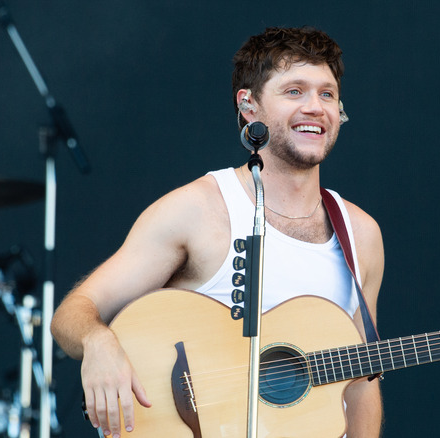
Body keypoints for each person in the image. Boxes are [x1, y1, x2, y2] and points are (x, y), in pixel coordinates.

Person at [50, 26, 384, 437]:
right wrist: (99, 342)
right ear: (249, 106)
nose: (315, 107)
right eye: (294, 91)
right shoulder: (198, 209)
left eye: (327, 93)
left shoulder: (360, 234)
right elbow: (72, 314)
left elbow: (362, 380)